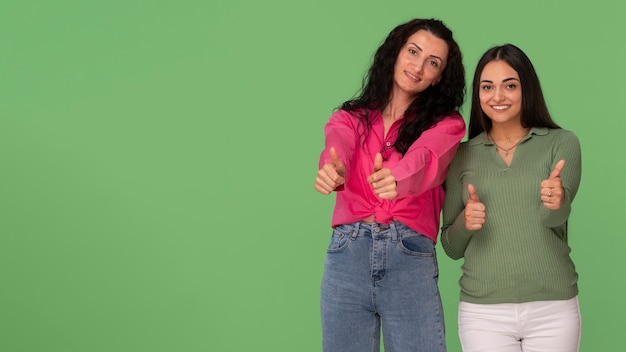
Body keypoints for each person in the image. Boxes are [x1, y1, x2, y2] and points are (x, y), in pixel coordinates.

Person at [314, 18, 466, 352]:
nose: (418, 66)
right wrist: (332, 167)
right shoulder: (350, 118)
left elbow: (429, 156)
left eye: (433, 63)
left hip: (408, 257)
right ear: (396, 52)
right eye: (413, 52)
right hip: (347, 255)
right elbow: (338, 144)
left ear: (439, 77)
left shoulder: (448, 124)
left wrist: (398, 177)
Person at [440, 44, 582, 352]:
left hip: (553, 308)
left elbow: (554, 220)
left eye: (510, 86)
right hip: (483, 313)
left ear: (526, 89)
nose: (498, 97)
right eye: (487, 87)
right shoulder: (461, 156)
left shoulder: (561, 143)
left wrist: (557, 202)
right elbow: (451, 247)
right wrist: (465, 222)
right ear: (478, 94)